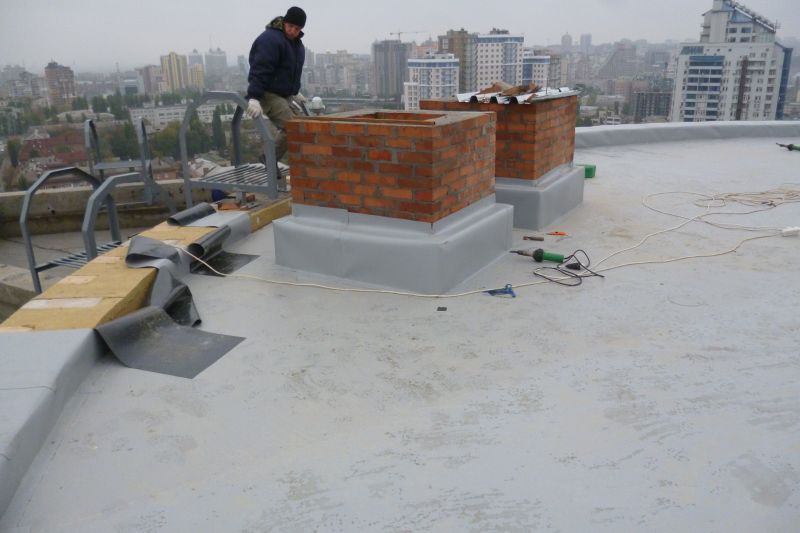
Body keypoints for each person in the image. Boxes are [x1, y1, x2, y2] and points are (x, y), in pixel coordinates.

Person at [244, 6, 307, 164]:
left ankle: (302, 166)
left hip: (283, 94)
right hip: (267, 92)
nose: (293, 31)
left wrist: (295, 92)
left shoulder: (296, 44)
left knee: (305, 125)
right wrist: (254, 97)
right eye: (290, 26)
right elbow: (261, 68)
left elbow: (291, 71)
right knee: (291, 127)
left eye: (297, 29)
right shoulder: (271, 39)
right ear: (284, 22)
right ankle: (269, 159)